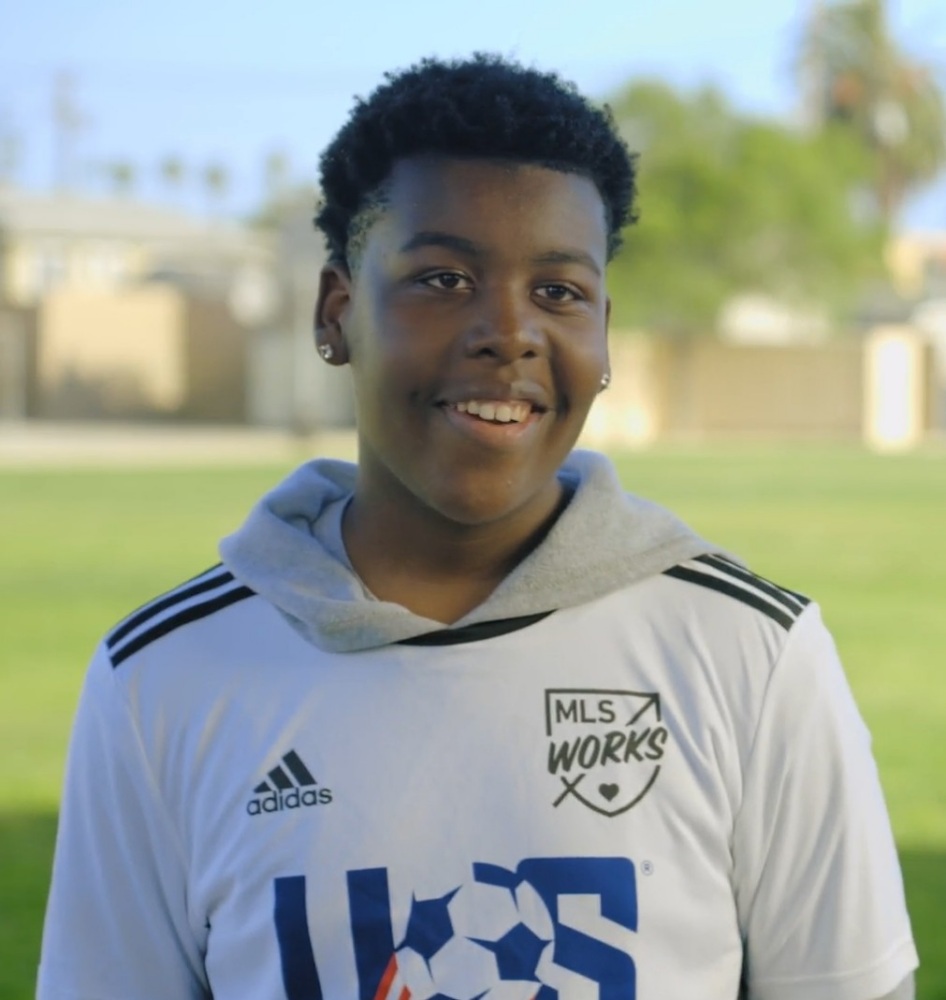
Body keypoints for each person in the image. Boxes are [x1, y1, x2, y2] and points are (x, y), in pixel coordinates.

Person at [39, 54, 917, 1000]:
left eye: (559, 292)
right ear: (337, 314)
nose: (510, 331)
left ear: (604, 334)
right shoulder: (162, 683)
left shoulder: (751, 655)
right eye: (445, 278)